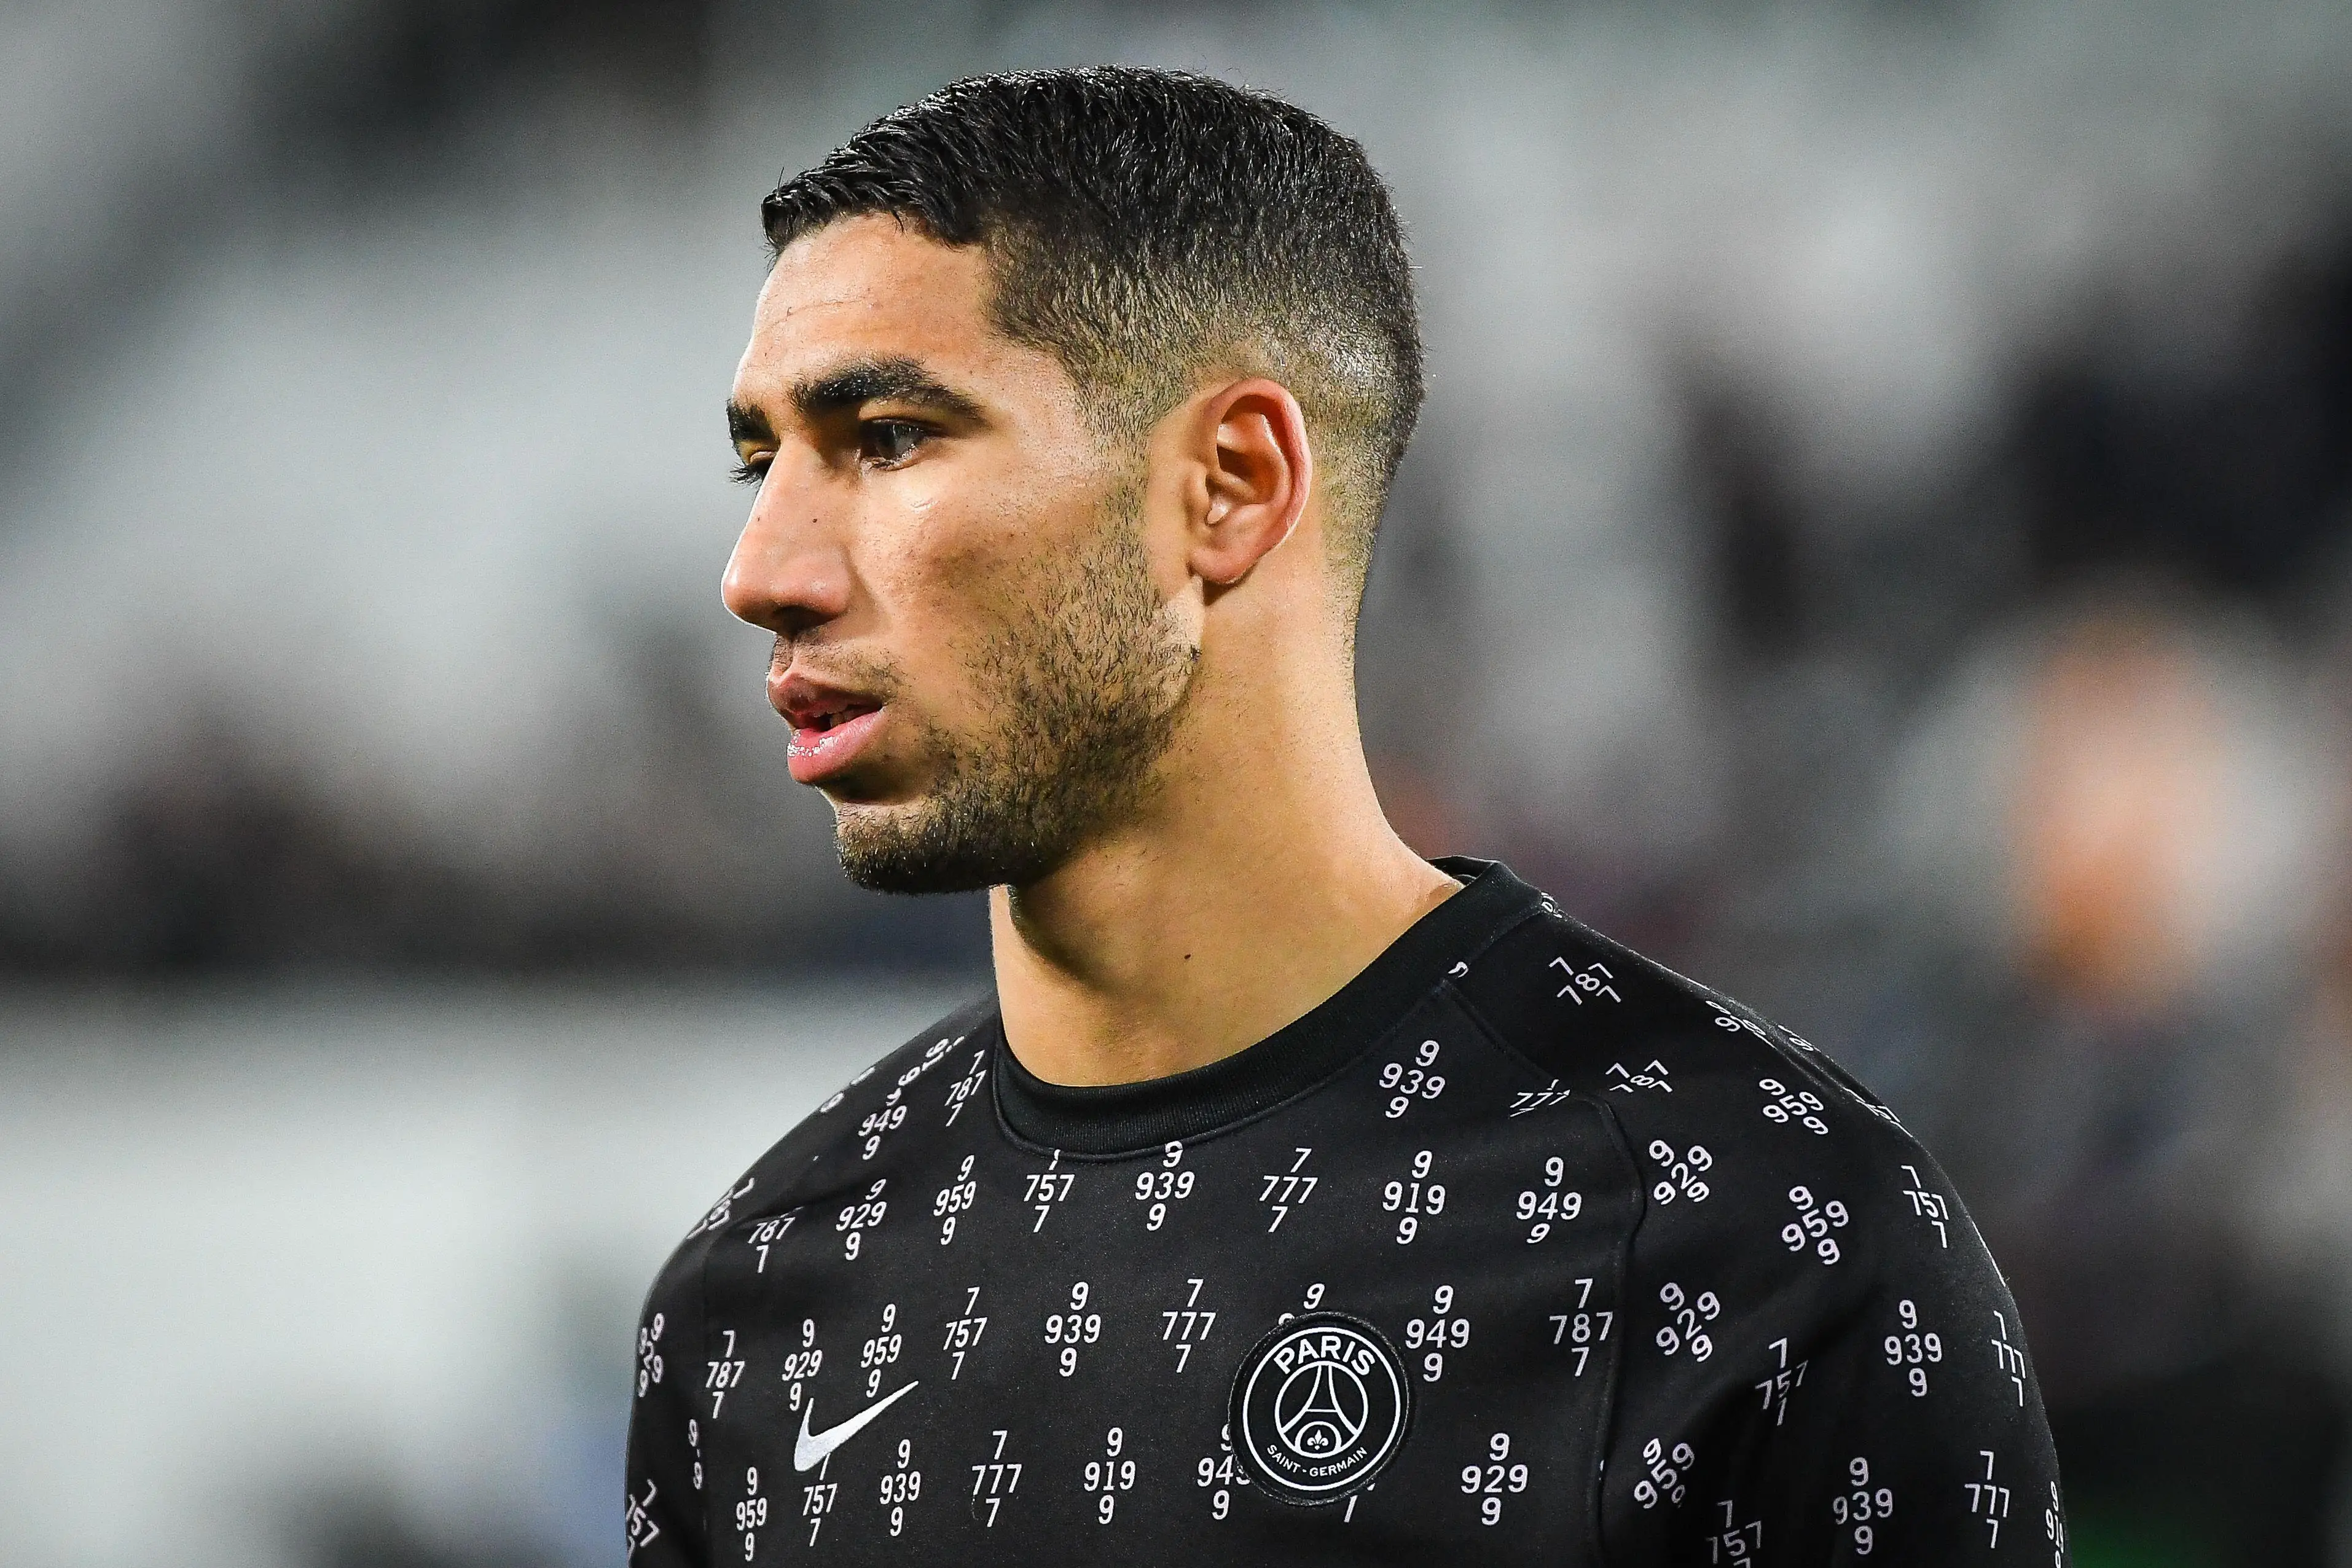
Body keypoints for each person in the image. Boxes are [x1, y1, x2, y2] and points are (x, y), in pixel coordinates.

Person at [624, 66, 2063, 1565]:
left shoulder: (1762, 1240)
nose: (760, 568)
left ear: (1232, 488)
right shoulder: (755, 1301)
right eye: (759, 458)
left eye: (893, 437)